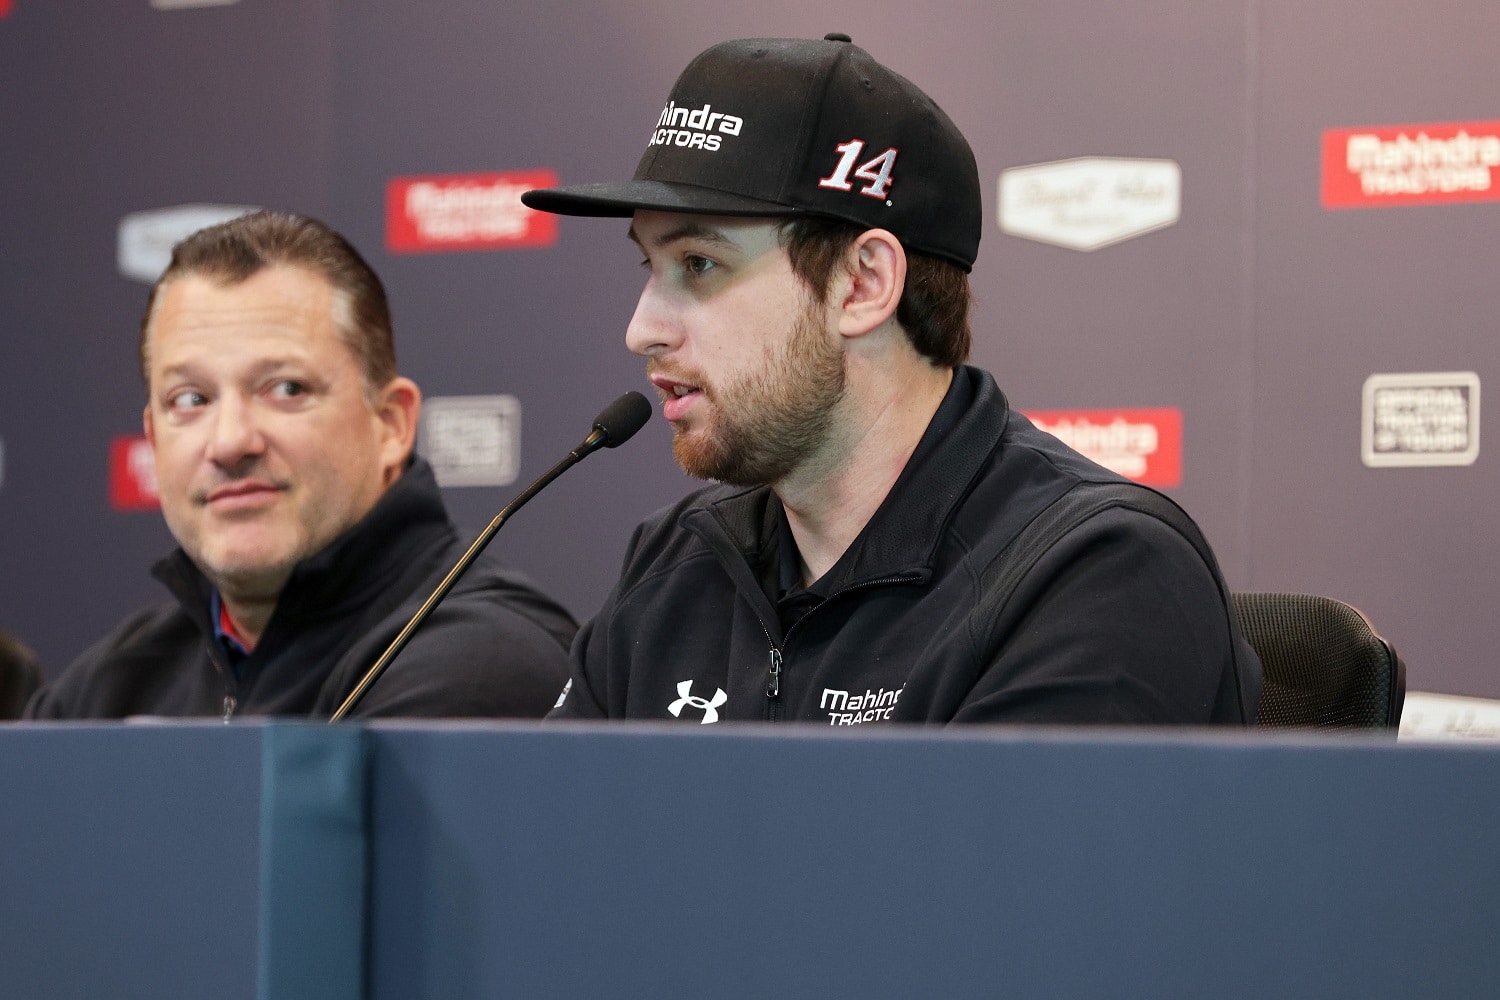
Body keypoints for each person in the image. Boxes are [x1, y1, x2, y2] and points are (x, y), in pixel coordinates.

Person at [523, 34, 1261, 725]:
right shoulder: (670, 569)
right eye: (648, 266)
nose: (642, 329)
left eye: (698, 265)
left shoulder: (1097, 576)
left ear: (862, 285)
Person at [27, 211, 575, 720]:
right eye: (191, 400)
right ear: (153, 436)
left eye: (285, 389)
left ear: (390, 424)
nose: (230, 441)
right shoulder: (110, 685)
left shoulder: (481, 659)